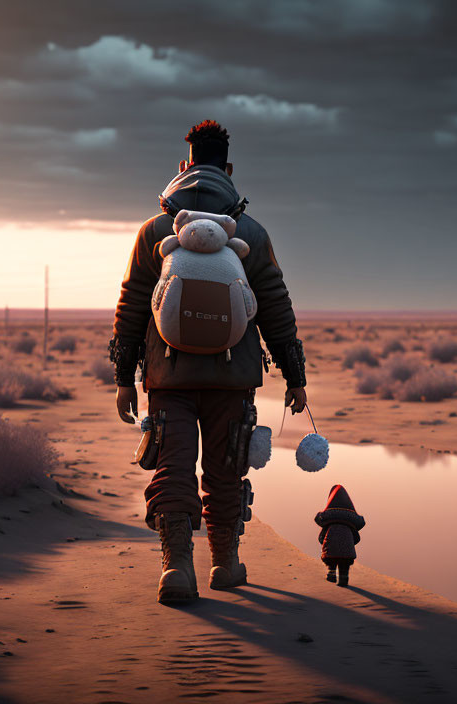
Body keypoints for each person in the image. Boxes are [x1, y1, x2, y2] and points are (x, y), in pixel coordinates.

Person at [109, 120, 307, 604]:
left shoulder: (156, 231)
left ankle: (176, 567)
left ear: (184, 166)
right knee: (224, 470)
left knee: (172, 468)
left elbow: (132, 304)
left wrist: (123, 379)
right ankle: (225, 563)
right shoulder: (252, 234)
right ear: (229, 168)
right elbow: (276, 306)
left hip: (168, 377)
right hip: (231, 378)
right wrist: (294, 376)